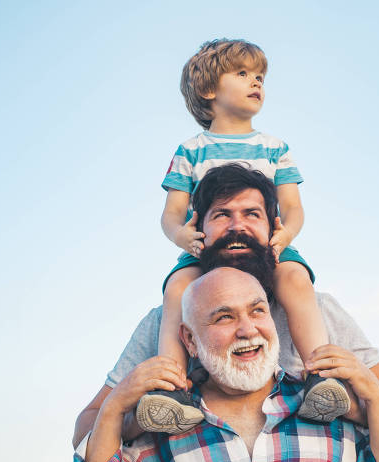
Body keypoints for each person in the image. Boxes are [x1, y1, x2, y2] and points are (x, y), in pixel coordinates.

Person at [73, 165, 379, 447]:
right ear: (199, 230)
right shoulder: (165, 322)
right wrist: (135, 415)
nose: (237, 226)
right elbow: (83, 433)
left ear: (274, 227)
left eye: (252, 214)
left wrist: (355, 403)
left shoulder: (319, 313)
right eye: (222, 215)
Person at [69, 268, 379, 462]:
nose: (248, 329)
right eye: (224, 317)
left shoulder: (328, 409)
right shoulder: (157, 431)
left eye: (258, 311)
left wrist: (373, 394)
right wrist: (114, 407)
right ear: (189, 339)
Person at [143, 37, 350, 433]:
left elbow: (292, 207)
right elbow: (171, 213)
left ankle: (320, 378)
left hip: (267, 245)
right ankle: (171, 390)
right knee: (178, 289)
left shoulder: (275, 147)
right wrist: (182, 237)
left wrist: (285, 234)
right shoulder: (191, 150)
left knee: (295, 278)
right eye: (242, 74)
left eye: (259, 76)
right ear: (208, 90)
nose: (256, 82)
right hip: (207, 249)